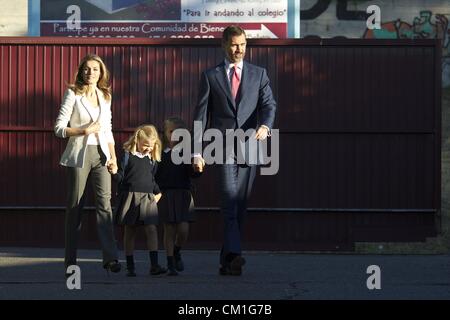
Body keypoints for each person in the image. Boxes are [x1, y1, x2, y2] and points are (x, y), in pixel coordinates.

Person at [192, 25, 277, 276]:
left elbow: (270, 105)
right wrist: (197, 152)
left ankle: (228, 260)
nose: (239, 49)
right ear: (224, 45)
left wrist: (265, 125)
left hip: (251, 146)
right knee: (229, 200)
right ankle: (236, 253)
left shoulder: (259, 74)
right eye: (234, 44)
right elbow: (200, 117)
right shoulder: (210, 76)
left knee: (240, 204)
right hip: (222, 147)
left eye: (242, 44)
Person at [54, 54, 121, 275]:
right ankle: (70, 263)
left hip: (101, 154)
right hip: (79, 155)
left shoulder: (105, 96)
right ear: (81, 71)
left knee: (105, 204)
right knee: (75, 207)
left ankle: (110, 259)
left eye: (95, 69)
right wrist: (84, 130)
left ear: (101, 73)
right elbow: (59, 128)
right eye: (87, 69)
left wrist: (113, 157)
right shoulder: (73, 93)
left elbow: (108, 128)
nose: (90, 73)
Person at [110, 125, 166, 277]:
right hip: (130, 196)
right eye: (146, 145)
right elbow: (120, 177)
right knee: (130, 231)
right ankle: (130, 266)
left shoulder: (152, 160)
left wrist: (158, 192)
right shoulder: (128, 155)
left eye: (151, 146)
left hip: (148, 198)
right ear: (137, 141)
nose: (148, 149)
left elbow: (151, 179)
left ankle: (154, 265)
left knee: (152, 229)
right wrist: (114, 172)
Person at [156, 117, 202, 276]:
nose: (174, 135)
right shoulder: (159, 152)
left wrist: (197, 169)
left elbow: (193, 174)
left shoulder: (186, 152)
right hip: (166, 193)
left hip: (183, 193)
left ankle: (176, 251)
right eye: (171, 131)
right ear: (165, 132)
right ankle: (170, 264)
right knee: (169, 229)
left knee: (183, 229)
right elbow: (153, 174)